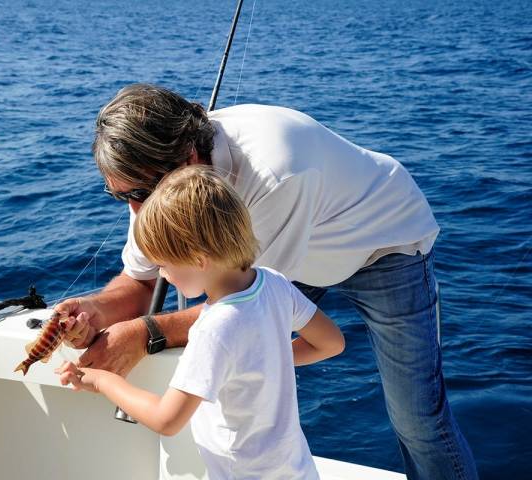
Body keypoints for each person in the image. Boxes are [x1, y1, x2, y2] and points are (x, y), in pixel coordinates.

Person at [55, 84, 478, 479]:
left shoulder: (275, 171)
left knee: (417, 416)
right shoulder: (155, 195)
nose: (134, 208)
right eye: (120, 196)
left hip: (385, 244)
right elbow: (141, 280)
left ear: (186, 160)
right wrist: (95, 310)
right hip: (285, 255)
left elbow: (238, 308)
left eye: (141, 193)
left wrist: (145, 333)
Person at [56, 165, 344, 480]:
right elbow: (330, 342)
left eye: (164, 264)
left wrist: (102, 381)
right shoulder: (275, 284)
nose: (163, 275)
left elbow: (167, 420)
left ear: (198, 259)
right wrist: (260, 363)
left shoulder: (213, 327)